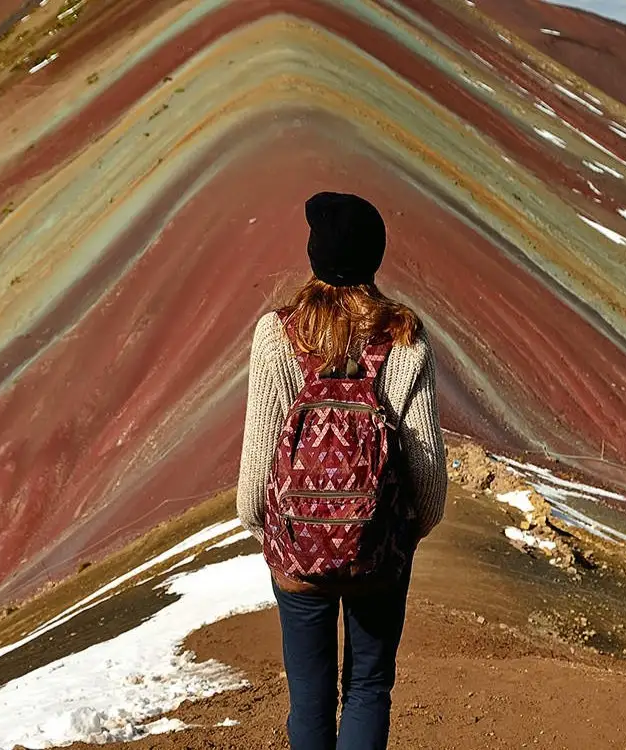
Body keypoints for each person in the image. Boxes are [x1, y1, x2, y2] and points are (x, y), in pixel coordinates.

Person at [235, 191, 448, 750]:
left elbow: (254, 481)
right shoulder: (405, 336)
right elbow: (428, 478)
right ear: (375, 258)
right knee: (368, 687)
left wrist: (284, 535)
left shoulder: (278, 334)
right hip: (380, 554)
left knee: (309, 698)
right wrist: (392, 532)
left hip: (297, 555)